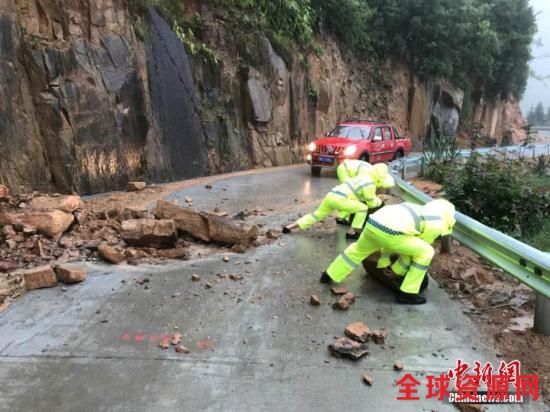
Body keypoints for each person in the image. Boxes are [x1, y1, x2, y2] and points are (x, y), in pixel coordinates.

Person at [319, 199, 456, 304]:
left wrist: (384, 262)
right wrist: (397, 271)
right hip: (391, 233)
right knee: (426, 252)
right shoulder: (436, 223)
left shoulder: (417, 208)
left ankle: (330, 274)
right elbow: (411, 252)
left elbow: (391, 244)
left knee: (357, 250)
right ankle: (407, 294)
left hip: (373, 223)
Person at [283, 163, 395, 239]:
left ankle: (290, 227)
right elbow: (370, 202)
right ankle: (353, 232)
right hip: (341, 199)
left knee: (316, 215)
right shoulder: (369, 184)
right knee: (363, 208)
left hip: (332, 194)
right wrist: (379, 202)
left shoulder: (361, 177)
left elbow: (358, 194)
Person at [335, 159, 373, 225]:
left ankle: (344, 217)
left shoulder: (372, 172)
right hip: (344, 170)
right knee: (350, 193)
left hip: (346, 170)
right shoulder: (367, 173)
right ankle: (341, 218)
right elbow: (361, 186)